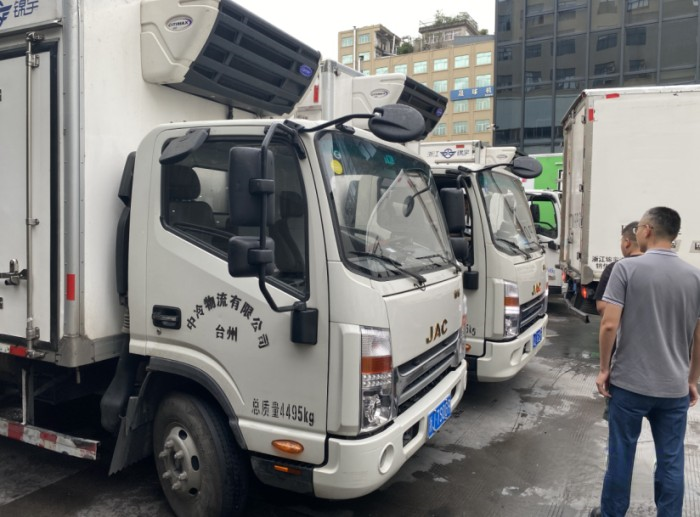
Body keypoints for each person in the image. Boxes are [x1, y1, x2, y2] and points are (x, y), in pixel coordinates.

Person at [590, 207, 700, 517]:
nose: (636, 232)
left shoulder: (626, 269)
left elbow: (609, 324)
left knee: (621, 455)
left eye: (639, 227)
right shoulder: (695, 276)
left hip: (630, 385)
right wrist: (692, 380)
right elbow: (699, 335)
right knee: (671, 459)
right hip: (674, 389)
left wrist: (604, 369)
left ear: (648, 229)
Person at [594, 221, 642, 317]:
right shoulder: (659, 268)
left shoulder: (615, 268)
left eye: (621, 240)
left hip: (623, 325)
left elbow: (602, 307)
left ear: (627, 242)